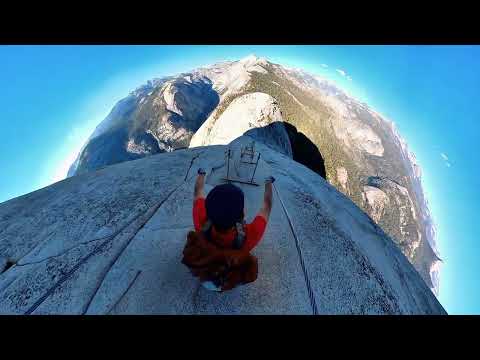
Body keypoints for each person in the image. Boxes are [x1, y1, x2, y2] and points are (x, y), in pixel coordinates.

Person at [187, 167, 275, 291]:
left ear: (208, 209)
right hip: (227, 275)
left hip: (206, 273)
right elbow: (267, 206)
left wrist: (202, 174)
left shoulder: (201, 220)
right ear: (242, 214)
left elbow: (198, 192)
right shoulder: (249, 236)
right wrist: (268, 182)